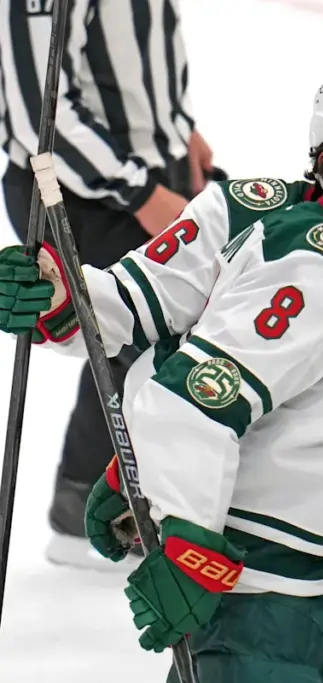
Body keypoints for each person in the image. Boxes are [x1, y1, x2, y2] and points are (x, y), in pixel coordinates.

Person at [6, 70, 323, 682]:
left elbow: (144, 321)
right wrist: (190, 547)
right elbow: (192, 402)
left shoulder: (257, 209)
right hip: (267, 597)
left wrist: (62, 298)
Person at [0, 0, 215, 567]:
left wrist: (178, 131)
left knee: (183, 320)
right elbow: (38, 114)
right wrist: (141, 193)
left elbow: (134, 52)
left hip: (145, 171)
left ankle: (148, 495)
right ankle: (85, 508)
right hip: (80, 190)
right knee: (133, 327)